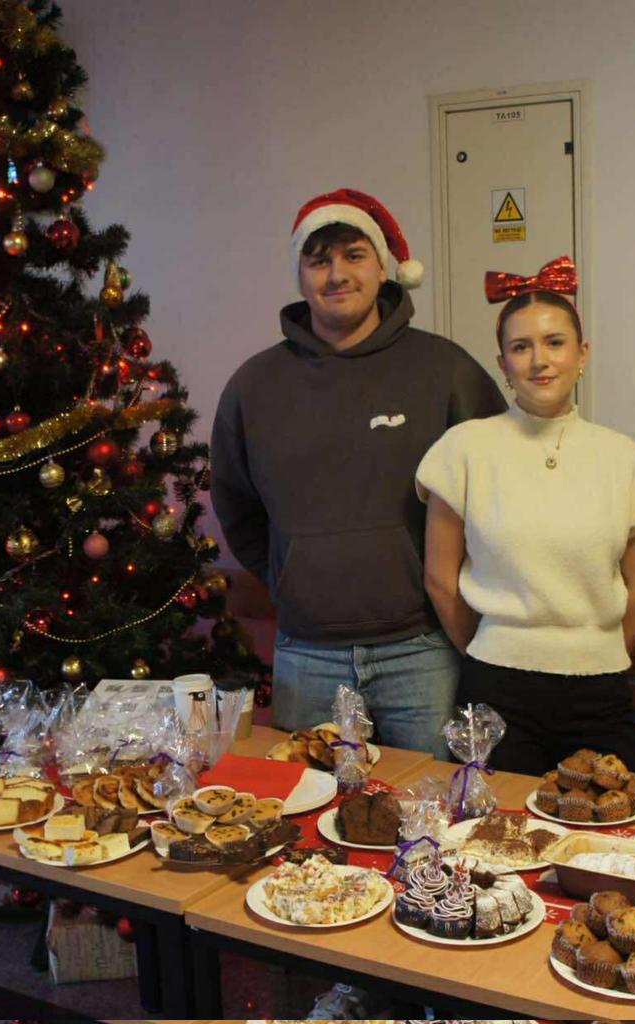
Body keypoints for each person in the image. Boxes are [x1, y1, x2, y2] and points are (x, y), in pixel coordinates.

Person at [211, 188, 505, 757]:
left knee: (430, 816)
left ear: (383, 268)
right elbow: (236, 506)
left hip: (421, 650)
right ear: (300, 276)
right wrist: (289, 576)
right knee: (308, 818)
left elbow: (497, 492)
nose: (336, 274)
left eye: (352, 255)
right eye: (318, 260)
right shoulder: (255, 386)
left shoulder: (444, 369)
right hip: (306, 654)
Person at [415, 256, 635, 774]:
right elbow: (440, 579)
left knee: (610, 839)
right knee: (490, 842)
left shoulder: (623, 458)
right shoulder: (464, 449)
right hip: (496, 687)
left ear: (583, 354)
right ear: (503, 364)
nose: (539, 360)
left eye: (555, 342)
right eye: (520, 347)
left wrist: (594, 652)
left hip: (600, 689)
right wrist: (490, 651)